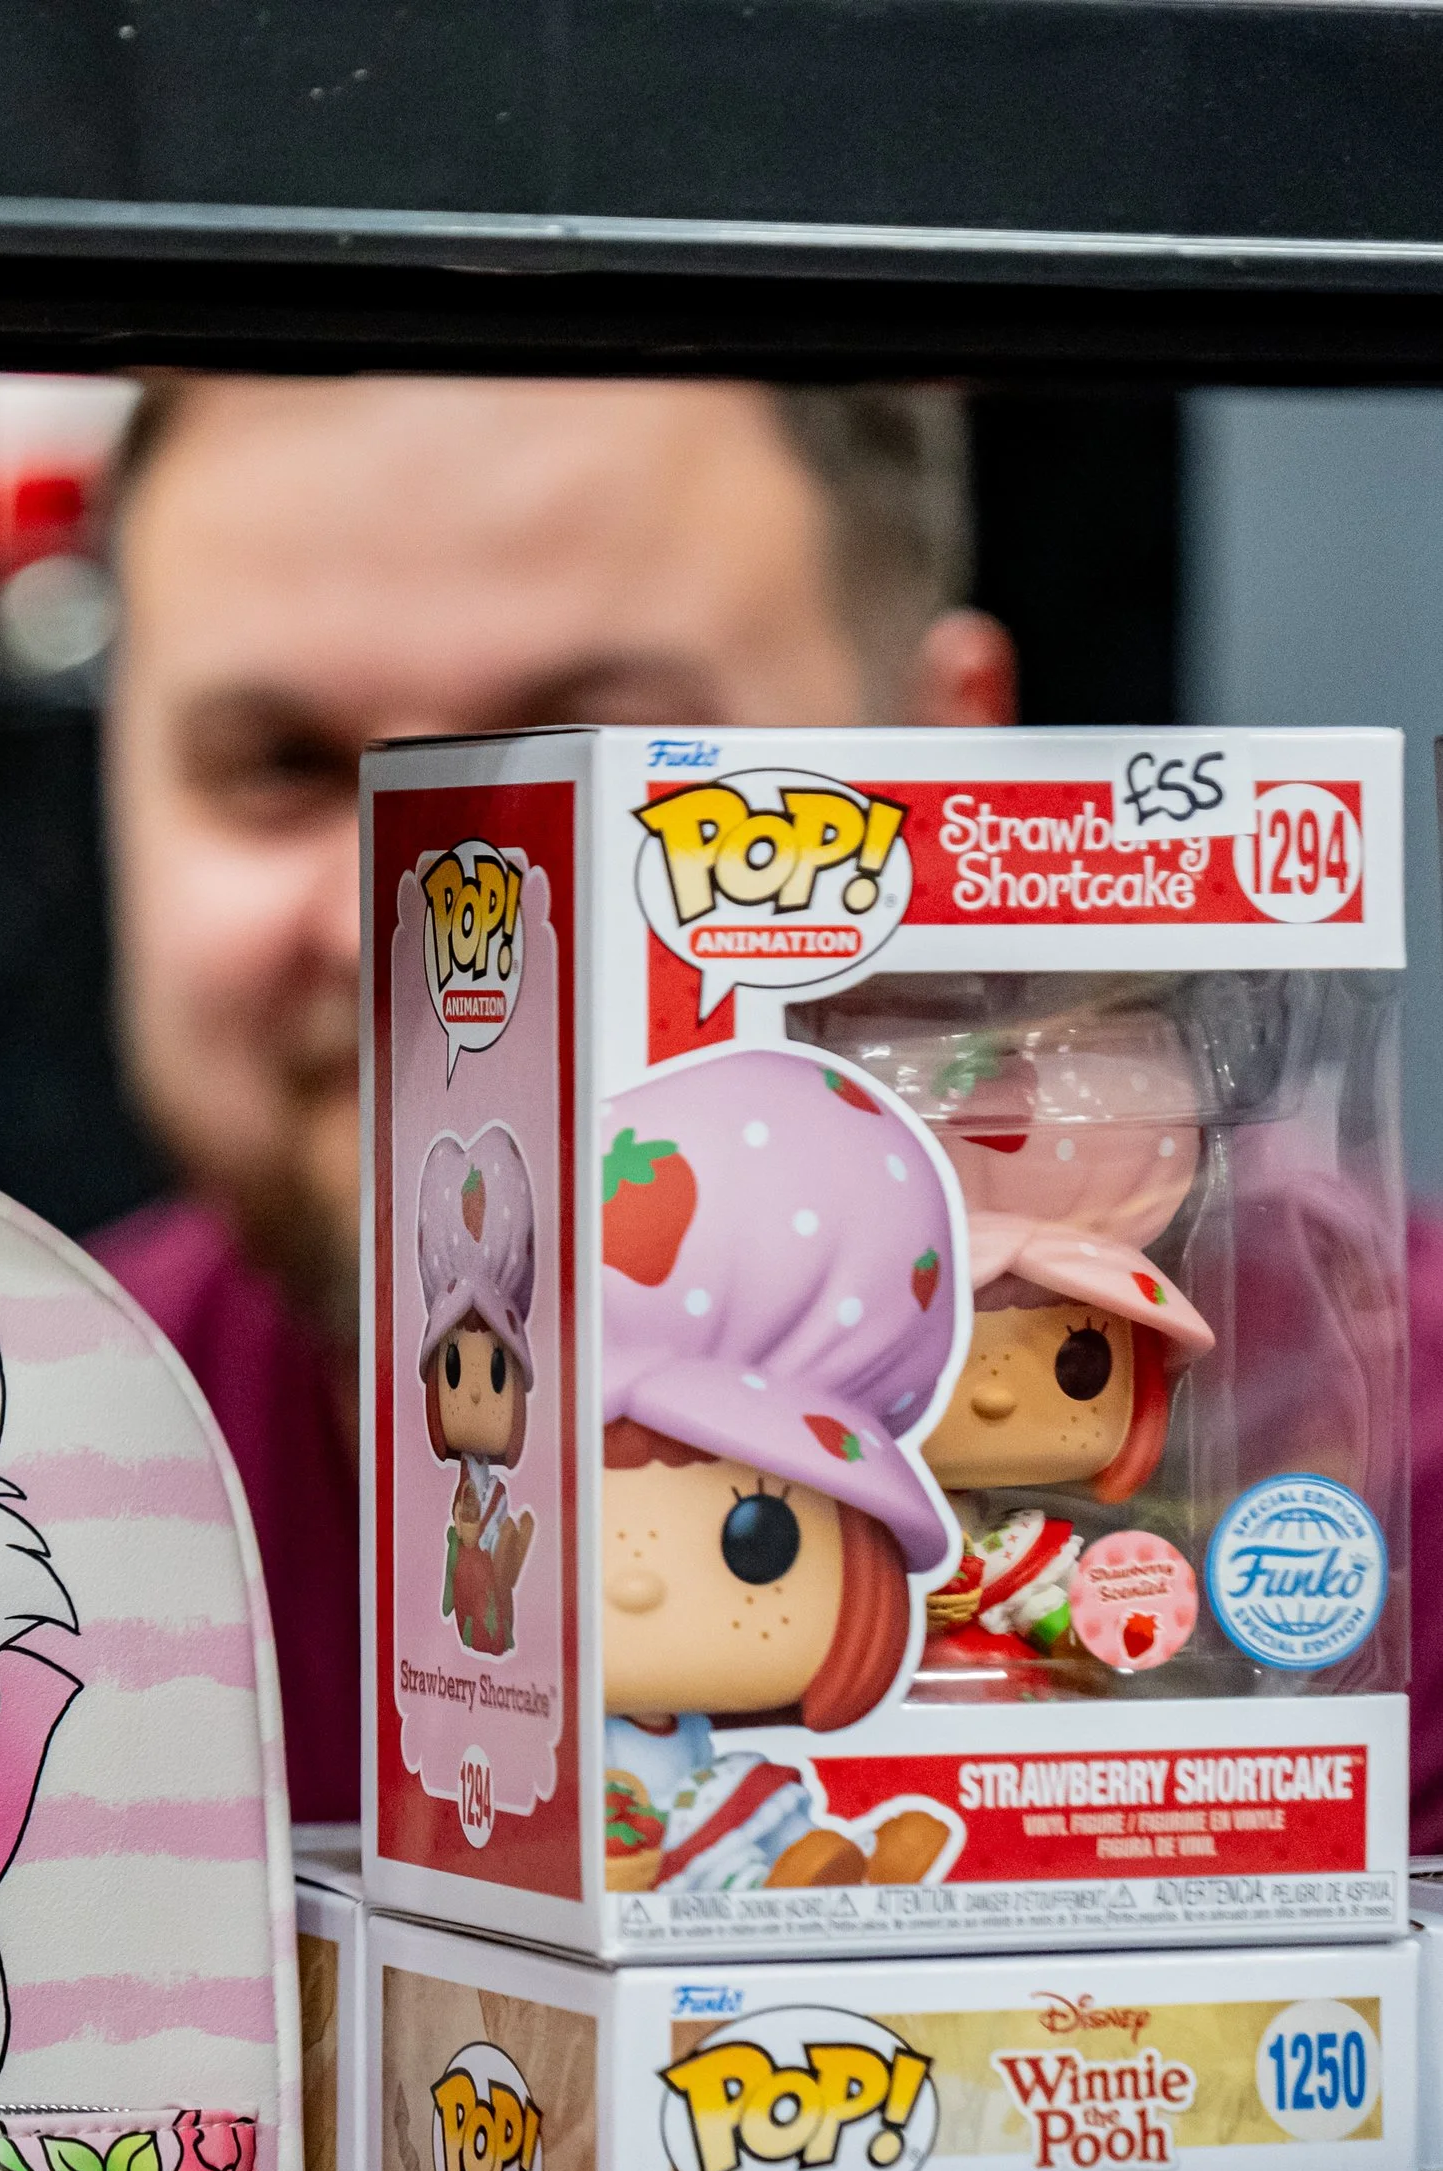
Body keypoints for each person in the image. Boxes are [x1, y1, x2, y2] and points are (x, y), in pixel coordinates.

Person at [90, 376, 1017, 1823]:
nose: (408, 917)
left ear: (944, 768)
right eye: (278, 768)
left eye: (587, 764)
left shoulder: (1391, 1504)